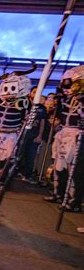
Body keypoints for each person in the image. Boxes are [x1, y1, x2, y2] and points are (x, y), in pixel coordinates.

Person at [44, 65, 83, 212]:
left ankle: (74, 201)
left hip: (76, 135)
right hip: (62, 132)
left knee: (73, 169)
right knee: (59, 166)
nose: (66, 88)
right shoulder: (63, 99)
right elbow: (59, 116)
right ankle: (58, 193)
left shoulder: (81, 99)